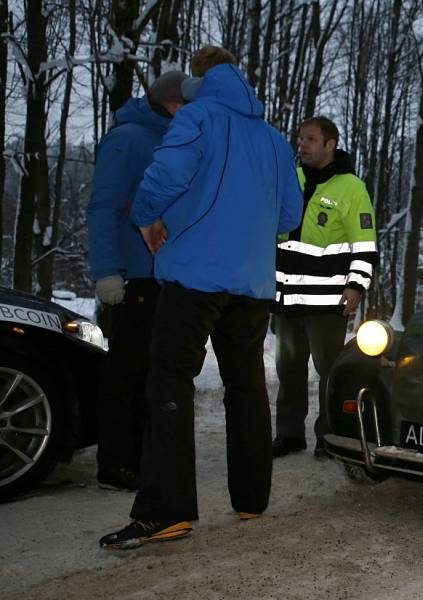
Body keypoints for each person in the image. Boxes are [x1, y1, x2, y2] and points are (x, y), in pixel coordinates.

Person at [99, 48, 302, 549]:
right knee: (247, 385)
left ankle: (166, 511)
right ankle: (252, 499)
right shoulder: (275, 139)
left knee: (169, 381)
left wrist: (148, 218)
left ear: (199, 81)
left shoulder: (198, 117)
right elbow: (289, 215)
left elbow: (164, 178)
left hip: (194, 277)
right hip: (251, 285)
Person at [86, 71, 187, 491]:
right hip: (133, 277)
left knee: (153, 370)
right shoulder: (127, 138)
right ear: (168, 103)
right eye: (185, 105)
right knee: (126, 370)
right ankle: (115, 462)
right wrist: (107, 270)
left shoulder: (178, 138)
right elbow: (103, 206)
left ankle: (144, 455)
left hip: (165, 274)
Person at [272, 116, 378, 460]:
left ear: (330, 145)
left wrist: (356, 286)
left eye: (310, 139)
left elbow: (364, 245)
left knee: (329, 371)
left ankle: (329, 435)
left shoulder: (351, 187)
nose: (301, 145)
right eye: (300, 138)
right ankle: (289, 435)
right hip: (286, 297)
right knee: (288, 370)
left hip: (326, 300)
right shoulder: (293, 178)